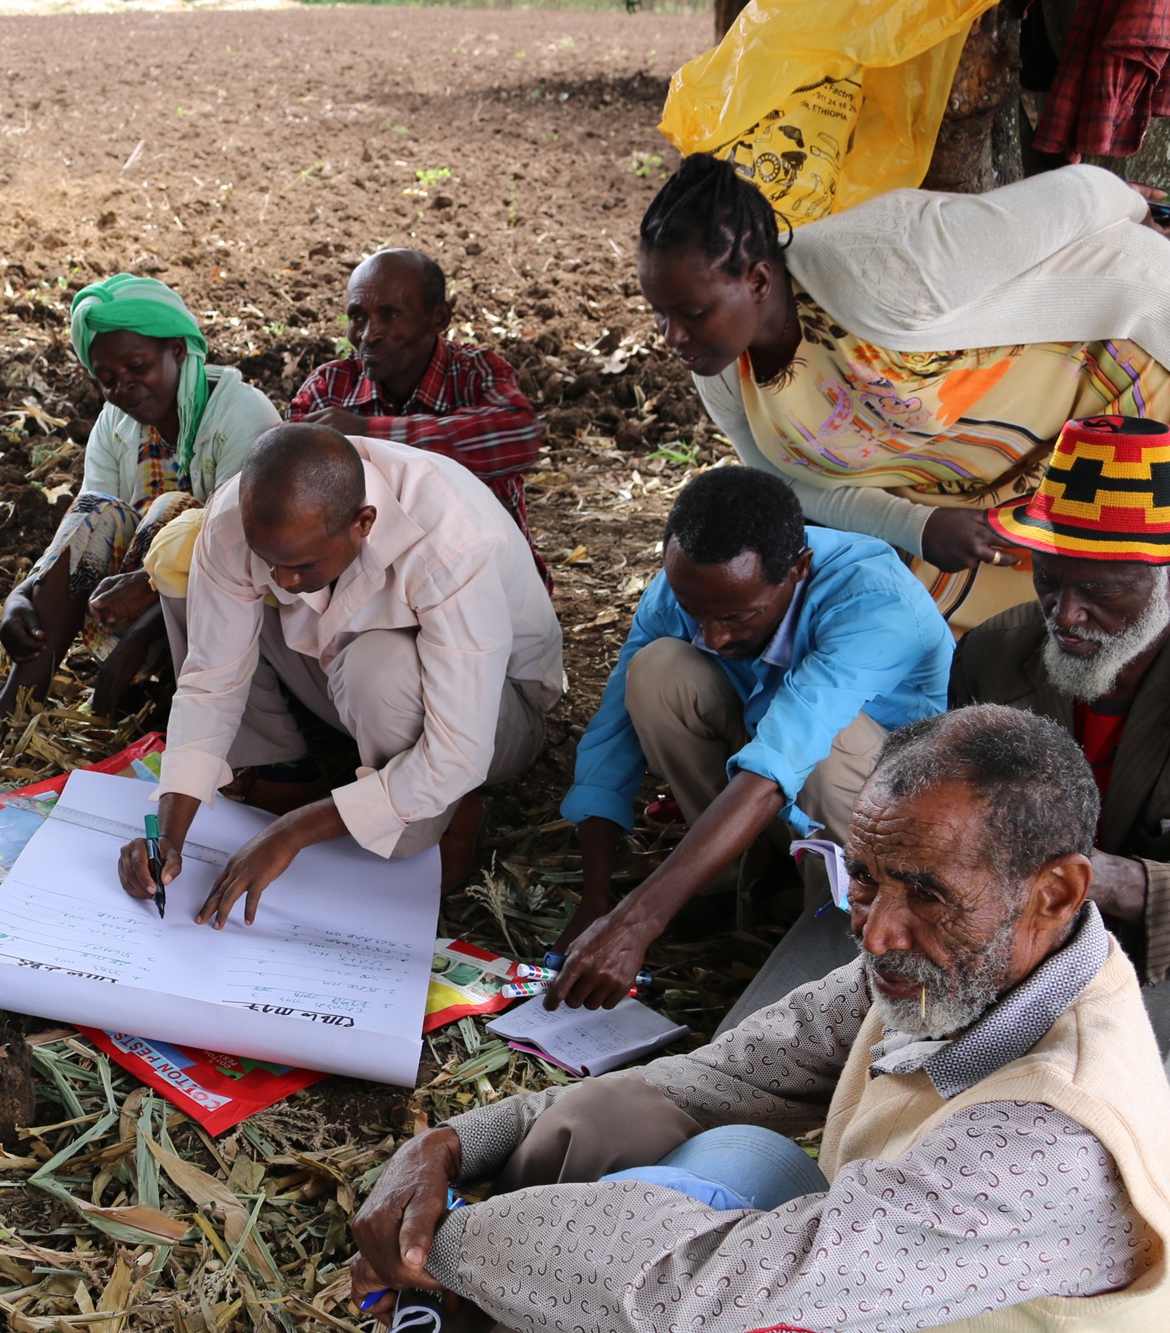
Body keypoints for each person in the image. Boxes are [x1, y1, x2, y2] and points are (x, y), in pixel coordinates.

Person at [351, 706, 1170, 1331]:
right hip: (857, 1281)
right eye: (866, 879)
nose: (876, 928)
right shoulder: (946, 967)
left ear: (1056, 892)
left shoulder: (1054, 1139)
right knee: (636, 1122)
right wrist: (450, 1145)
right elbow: (708, 1077)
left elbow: (704, 1281)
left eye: (926, 891)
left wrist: (438, 1243)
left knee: (676, 1271)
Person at [641, 152, 1170, 629]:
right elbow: (784, 484)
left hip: (1121, 372)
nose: (672, 337)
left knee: (1120, 592)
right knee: (1011, 631)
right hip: (979, 476)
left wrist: (1131, 203)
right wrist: (919, 526)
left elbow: (1077, 193)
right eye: (660, 314)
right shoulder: (723, 371)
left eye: (691, 313)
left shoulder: (891, 260)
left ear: (757, 281)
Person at [551, 466, 952, 1011]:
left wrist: (636, 920)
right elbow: (612, 737)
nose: (714, 637)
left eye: (740, 616)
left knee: (825, 748)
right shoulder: (692, 587)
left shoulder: (874, 603)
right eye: (698, 614)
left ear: (798, 569)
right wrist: (597, 899)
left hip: (884, 821)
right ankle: (730, 883)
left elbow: (781, 760)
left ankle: (836, 921)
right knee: (658, 669)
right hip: (773, 782)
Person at [115, 423, 563, 910]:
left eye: (303, 564)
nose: (283, 579)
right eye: (269, 560)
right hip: (353, 677)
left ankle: (446, 816)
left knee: (379, 668)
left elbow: (460, 751)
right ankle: (285, 772)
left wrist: (292, 832)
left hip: (498, 715)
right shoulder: (238, 521)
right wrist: (169, 832)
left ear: (363, 522)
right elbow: (211, 681)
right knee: (186, 572)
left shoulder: (450, 542)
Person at [0, 273, 281, 749]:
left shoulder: (241, 416)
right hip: (133, 601)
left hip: (231, 608)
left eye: (137, 365)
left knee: (175, 512)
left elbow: (235, 546)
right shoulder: (117, 423)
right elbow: (88, 518)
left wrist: (141, 633)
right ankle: (12, 709)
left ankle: (170, 702)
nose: (124, 387)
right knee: (101, 511)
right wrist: (27, 591)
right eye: (108, 379)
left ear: (178, 350)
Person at [951, 414, 1170, 1036]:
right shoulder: (993, 653)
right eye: (1048, 579)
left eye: (1100, 590)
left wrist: (1124, 884)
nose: (1066, 615)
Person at [289, 248, 549, 587]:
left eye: (390, 315)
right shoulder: (330, 387)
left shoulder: (474, 374)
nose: (368, 334)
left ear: (438, 318)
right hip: (372, 592)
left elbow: (518, 437)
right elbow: (287, 477)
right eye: (357, 316)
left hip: (488, 583)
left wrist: (367, 435)